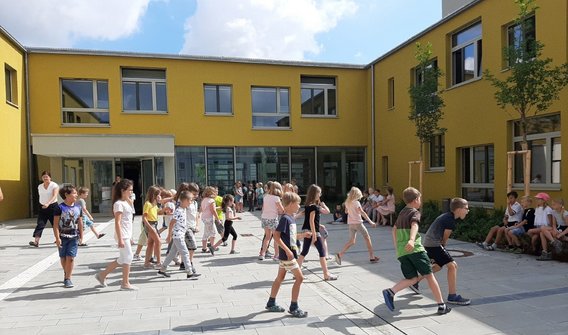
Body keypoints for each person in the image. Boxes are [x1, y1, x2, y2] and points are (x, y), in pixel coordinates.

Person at [382, 187, 451, 315]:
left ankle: (390, 292)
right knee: (429, 275)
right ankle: (441, 305)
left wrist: (397, 248)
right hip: (416, 250)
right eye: (420, 199)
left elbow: (394, 230)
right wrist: (412, 240)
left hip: (403, 252)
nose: (420, 201)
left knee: (412, 278)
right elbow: (414, 225)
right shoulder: (414, 212)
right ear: (416, 200)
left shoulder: (402, 212)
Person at [265, 192, 312, 318]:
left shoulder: (290, 218)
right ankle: (294, 307)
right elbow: (276, 236)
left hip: (287, 255)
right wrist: (287, 250)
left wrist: (303, 235)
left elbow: (290, 236)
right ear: (290, 204)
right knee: (300, 278)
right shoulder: (285, 219)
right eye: (297, 204)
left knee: (280, 278)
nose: (299, 206)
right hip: (287, 256)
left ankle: (271, 302)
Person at [421, 198, 471, 305]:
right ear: (458, 209)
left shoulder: (448, 216)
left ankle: (414, 281)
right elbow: (444, 239)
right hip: (434, 244)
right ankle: (452, 296)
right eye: (466, 208)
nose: (468, 211)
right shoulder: (450, 220)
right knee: (452, 266)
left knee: (438, 266)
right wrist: (443, 249)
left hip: (429, 243)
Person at [95, 179, 138, 291]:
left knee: (122, 259)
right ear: (123, 190)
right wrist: (120, 239)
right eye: (130, 190)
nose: (131, 192)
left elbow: (130, 216)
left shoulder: (127, 202)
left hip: (127, 233)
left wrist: (129, 198)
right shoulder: (118, 204)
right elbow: (117, 222)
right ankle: (125, 283)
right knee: (128, 257)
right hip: (122, 234)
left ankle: (102, 275)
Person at [157, 190, 202, 279]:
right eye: (189, 200)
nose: (190, 202)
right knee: (185, 253)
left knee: (172, 254)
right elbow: (172, 223)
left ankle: (162, 270)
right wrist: (169, 235)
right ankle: (189, 272)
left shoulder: (183, 209)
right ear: (184, 200)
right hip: (178, 236)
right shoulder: (178, 211)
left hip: (180, 235)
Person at [297, 184, 337, 280]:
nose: (320, 194)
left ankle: (296, 272)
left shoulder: (309, 205)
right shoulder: (314, 207)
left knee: (304, 252)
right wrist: (314, 235)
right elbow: (311, 221)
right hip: (312, 231)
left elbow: (325, 212)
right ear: (315, 194)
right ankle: (326, 274)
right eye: (319, 193)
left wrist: (323, 205)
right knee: (322, 252)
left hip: (308, 230)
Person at [335, 187, 379, 265]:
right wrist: (371, 222)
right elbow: (362, 213)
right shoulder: (356, 203)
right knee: (367, 238)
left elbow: (346, 211)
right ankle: (372, 257)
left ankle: (340, 254)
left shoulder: (347, 202)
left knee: (352, 241)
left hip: (351, 224)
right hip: (358, 223)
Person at [53, 184, 84, 288]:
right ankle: (66, 273)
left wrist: (81, 236)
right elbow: (56, 224)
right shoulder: (59, 208)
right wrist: (57, 238)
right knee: (63, 258)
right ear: (66, 195)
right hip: (62, 237)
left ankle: (68, 278)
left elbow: (80, 223)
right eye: (74, 193)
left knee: (70, 258)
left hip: (74, 237)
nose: (76, 195)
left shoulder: (78, 207)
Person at [30, 171, 60, 247]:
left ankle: (58, 239)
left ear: (50, 177)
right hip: (42, 207)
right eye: (44, 177)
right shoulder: (40, 186)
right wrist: (43, 204)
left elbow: (54, 196)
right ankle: (36, 241)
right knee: (40, 224)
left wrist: (48, 203)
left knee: (55, 224)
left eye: (47, 176)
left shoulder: (54, 185)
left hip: (53, 206)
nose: (45, 178)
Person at [259, 181, 285, 260]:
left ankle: (262, 254)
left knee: (267, 237)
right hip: (272, 219)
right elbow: (282, 210)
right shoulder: (276, 198)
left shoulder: (265, 196)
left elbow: (263, 208)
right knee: (276, 237)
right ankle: (276, 255)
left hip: (264, 218)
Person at [201, 186, 221, 253]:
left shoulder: (204, 200)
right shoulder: (211, 201)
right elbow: (213, 211)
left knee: (206, 233)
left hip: (204, 218)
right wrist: (218, 219)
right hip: (209, 218)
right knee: (213, 232)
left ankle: (204, 248)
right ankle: (213, 246)